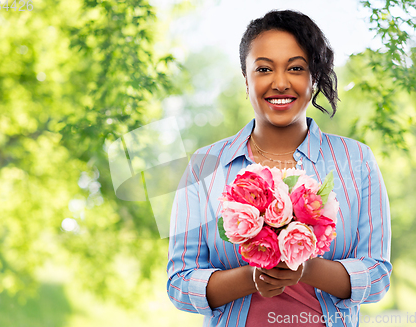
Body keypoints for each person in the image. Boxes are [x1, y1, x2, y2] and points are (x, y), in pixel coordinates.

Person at [167, 9, 392, 327]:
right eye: (264, 69)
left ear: (313, 78)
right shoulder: (204, 166)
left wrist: (304, 268)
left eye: (296, 68)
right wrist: (253, 276)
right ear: (246, 80)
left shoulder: (357, 161)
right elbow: (179, 283)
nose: (281, 82)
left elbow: (378, 275)